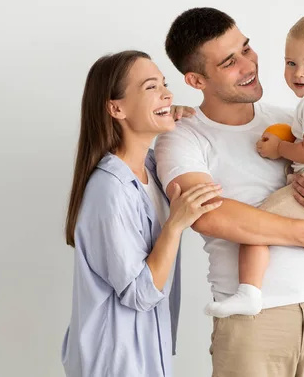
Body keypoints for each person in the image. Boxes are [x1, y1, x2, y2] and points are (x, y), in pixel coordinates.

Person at [155, 7, 304, 377]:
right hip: (255, 320)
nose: (249, 64)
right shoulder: (183, 137)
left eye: (246, 48)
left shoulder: (293, 120)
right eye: (229, 61)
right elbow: (208, 213)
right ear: (196, 80)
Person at [60, 50, 222, 377]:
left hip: (145, 350)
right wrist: (174, 226)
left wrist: (163, 113)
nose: (168, 92)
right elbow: (140, 292)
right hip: (115, 362)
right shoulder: (109, 189)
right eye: (151, 87)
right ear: (116, 108)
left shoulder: (148, 169)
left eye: (164, 84)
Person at [213, 13, 304, 318]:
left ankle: (249, 292)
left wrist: (279, 148)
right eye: (290, 63)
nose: (298, 73)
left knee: (257, 225)